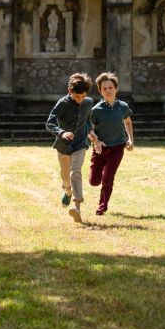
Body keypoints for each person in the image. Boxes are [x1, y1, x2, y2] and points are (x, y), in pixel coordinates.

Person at [45, 73, 94, 223]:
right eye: (77, 97)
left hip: (80, 144)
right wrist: (62, 132)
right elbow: (49, 123)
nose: (80, 100)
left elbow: (88, 120)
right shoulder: (63, 103)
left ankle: (77, 207)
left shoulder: (88, 102)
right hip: (64, 146)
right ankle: (67, 191)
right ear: (69, 91)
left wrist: (91, 132)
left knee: (75, 172)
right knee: (66, 177)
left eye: (83, 96)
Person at [88, 72, 134, 216]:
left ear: (116, 88)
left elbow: (127, 122)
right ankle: (98, 173)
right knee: (94, 181)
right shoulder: (96, 110)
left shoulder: (123, 106)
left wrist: (130, 139)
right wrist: (96, 141)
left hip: (117, 147)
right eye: (104, 88)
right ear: (100, 91)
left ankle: (103, 206)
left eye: (110, 87)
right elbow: (89, 130)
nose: (108, 90)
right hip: (100, 149)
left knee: (108, 178)